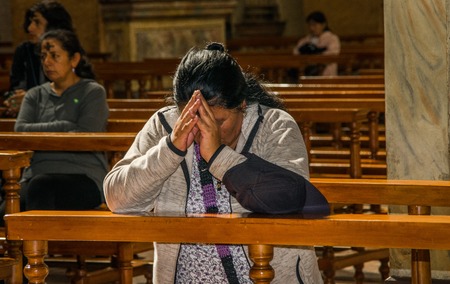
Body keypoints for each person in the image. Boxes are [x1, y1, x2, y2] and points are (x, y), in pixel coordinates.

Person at [103, 42, 329, 283]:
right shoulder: (164, 126)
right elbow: (118, 199)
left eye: (218, 121)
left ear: (242, 103)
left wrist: (219, 155)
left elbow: (289, 196)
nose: (204, 132)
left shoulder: (275, 126)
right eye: (192, 120)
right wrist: (171, 148)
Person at [0, 29, 109, 224]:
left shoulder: (92, 92)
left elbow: (84, 134)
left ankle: (35, 254)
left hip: (82, 176)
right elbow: (21, 131)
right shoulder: (34, 96)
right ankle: (32, 252)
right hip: (36, 176)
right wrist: (66, 125)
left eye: (54, 56)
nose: (47, 62)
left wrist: (42, 132)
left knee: (41, 188)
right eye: (43, 56)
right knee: (6, 213)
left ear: (74, 59)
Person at [2, 0, 74, 117]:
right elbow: (15, 89)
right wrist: (13, 100)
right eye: (30, 22)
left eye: (37, 22)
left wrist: (33, 100)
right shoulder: (24, 51)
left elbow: (77, 99)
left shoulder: (71, 53)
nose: (30, 28)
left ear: (53, 26)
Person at [293, 11, 341, 76]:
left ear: (323, 25)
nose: (311, 28)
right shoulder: (306, 39)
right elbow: (296, 51)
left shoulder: (332, 38)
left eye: (314, 25)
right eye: (309, 25)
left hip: (326, 73)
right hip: (306, 71)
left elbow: (333, 53)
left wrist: (316, 54)